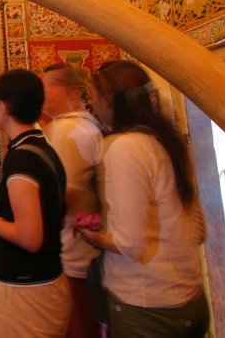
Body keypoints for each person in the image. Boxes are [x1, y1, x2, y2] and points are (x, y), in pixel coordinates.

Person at [80, 60, 209, 337]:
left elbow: (130, 244)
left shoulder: (125, 147)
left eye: (93, 97)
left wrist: (92, 237)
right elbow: (198, 231)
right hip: (191, 299)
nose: (92, 106)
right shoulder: (166, 139)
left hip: (148, 306)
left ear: (110, 99)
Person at [0, 69, 70, 337]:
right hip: (38, 282)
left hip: (26, 288)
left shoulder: (22, 158)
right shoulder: (42, 147)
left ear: (4, 107)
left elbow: (30, 238)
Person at [41, 63, 103, 338]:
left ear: (76, 91)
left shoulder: (65, 131)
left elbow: (65, 194)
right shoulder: (89, 126)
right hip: (86, 250)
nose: (43, 93)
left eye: (49, 86)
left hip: (72, 253)